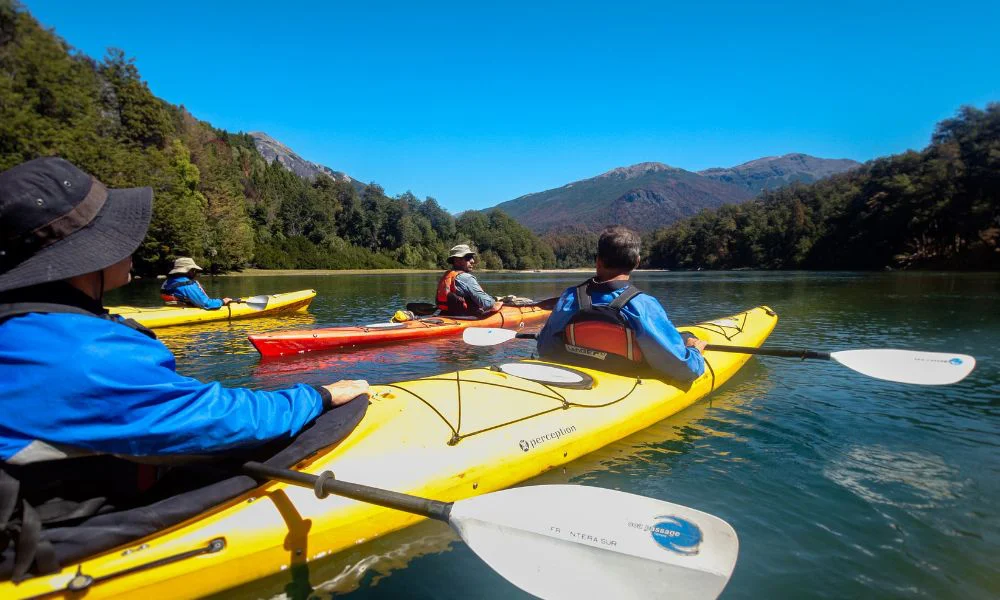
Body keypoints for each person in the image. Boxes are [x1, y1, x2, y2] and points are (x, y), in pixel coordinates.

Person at [0, 158, 368, 578]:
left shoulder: (26, 324)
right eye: (116, 236)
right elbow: (222, 419)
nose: (130, 244)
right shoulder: (85, 354)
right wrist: (318, 395)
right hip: (38, 537)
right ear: (85, 257)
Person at [536, 226, 707, 384]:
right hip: (627, 380)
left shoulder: (569, 297)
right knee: (686, 339)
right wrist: (695, 353)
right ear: (637, 262)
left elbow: (545, 348)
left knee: (684, 335)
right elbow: (684, 369)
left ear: (598, 261)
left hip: (580, 377)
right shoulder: (642, 305)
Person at [436, 244, 503, 317]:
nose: (472, 261)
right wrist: (498, 301)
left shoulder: (446, 276)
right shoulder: (466, 278)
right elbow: (487, 303)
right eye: (468, 257)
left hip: (446, 315)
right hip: (465, 318)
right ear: (457, 260)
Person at [160, 257, 233, 309]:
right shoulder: (187, 284)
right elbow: (206, 304)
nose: (195, 272)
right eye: (194, 270)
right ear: (189, 270)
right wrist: (222, 301)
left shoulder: (168, 281)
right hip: (181, 311)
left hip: (169, 308)